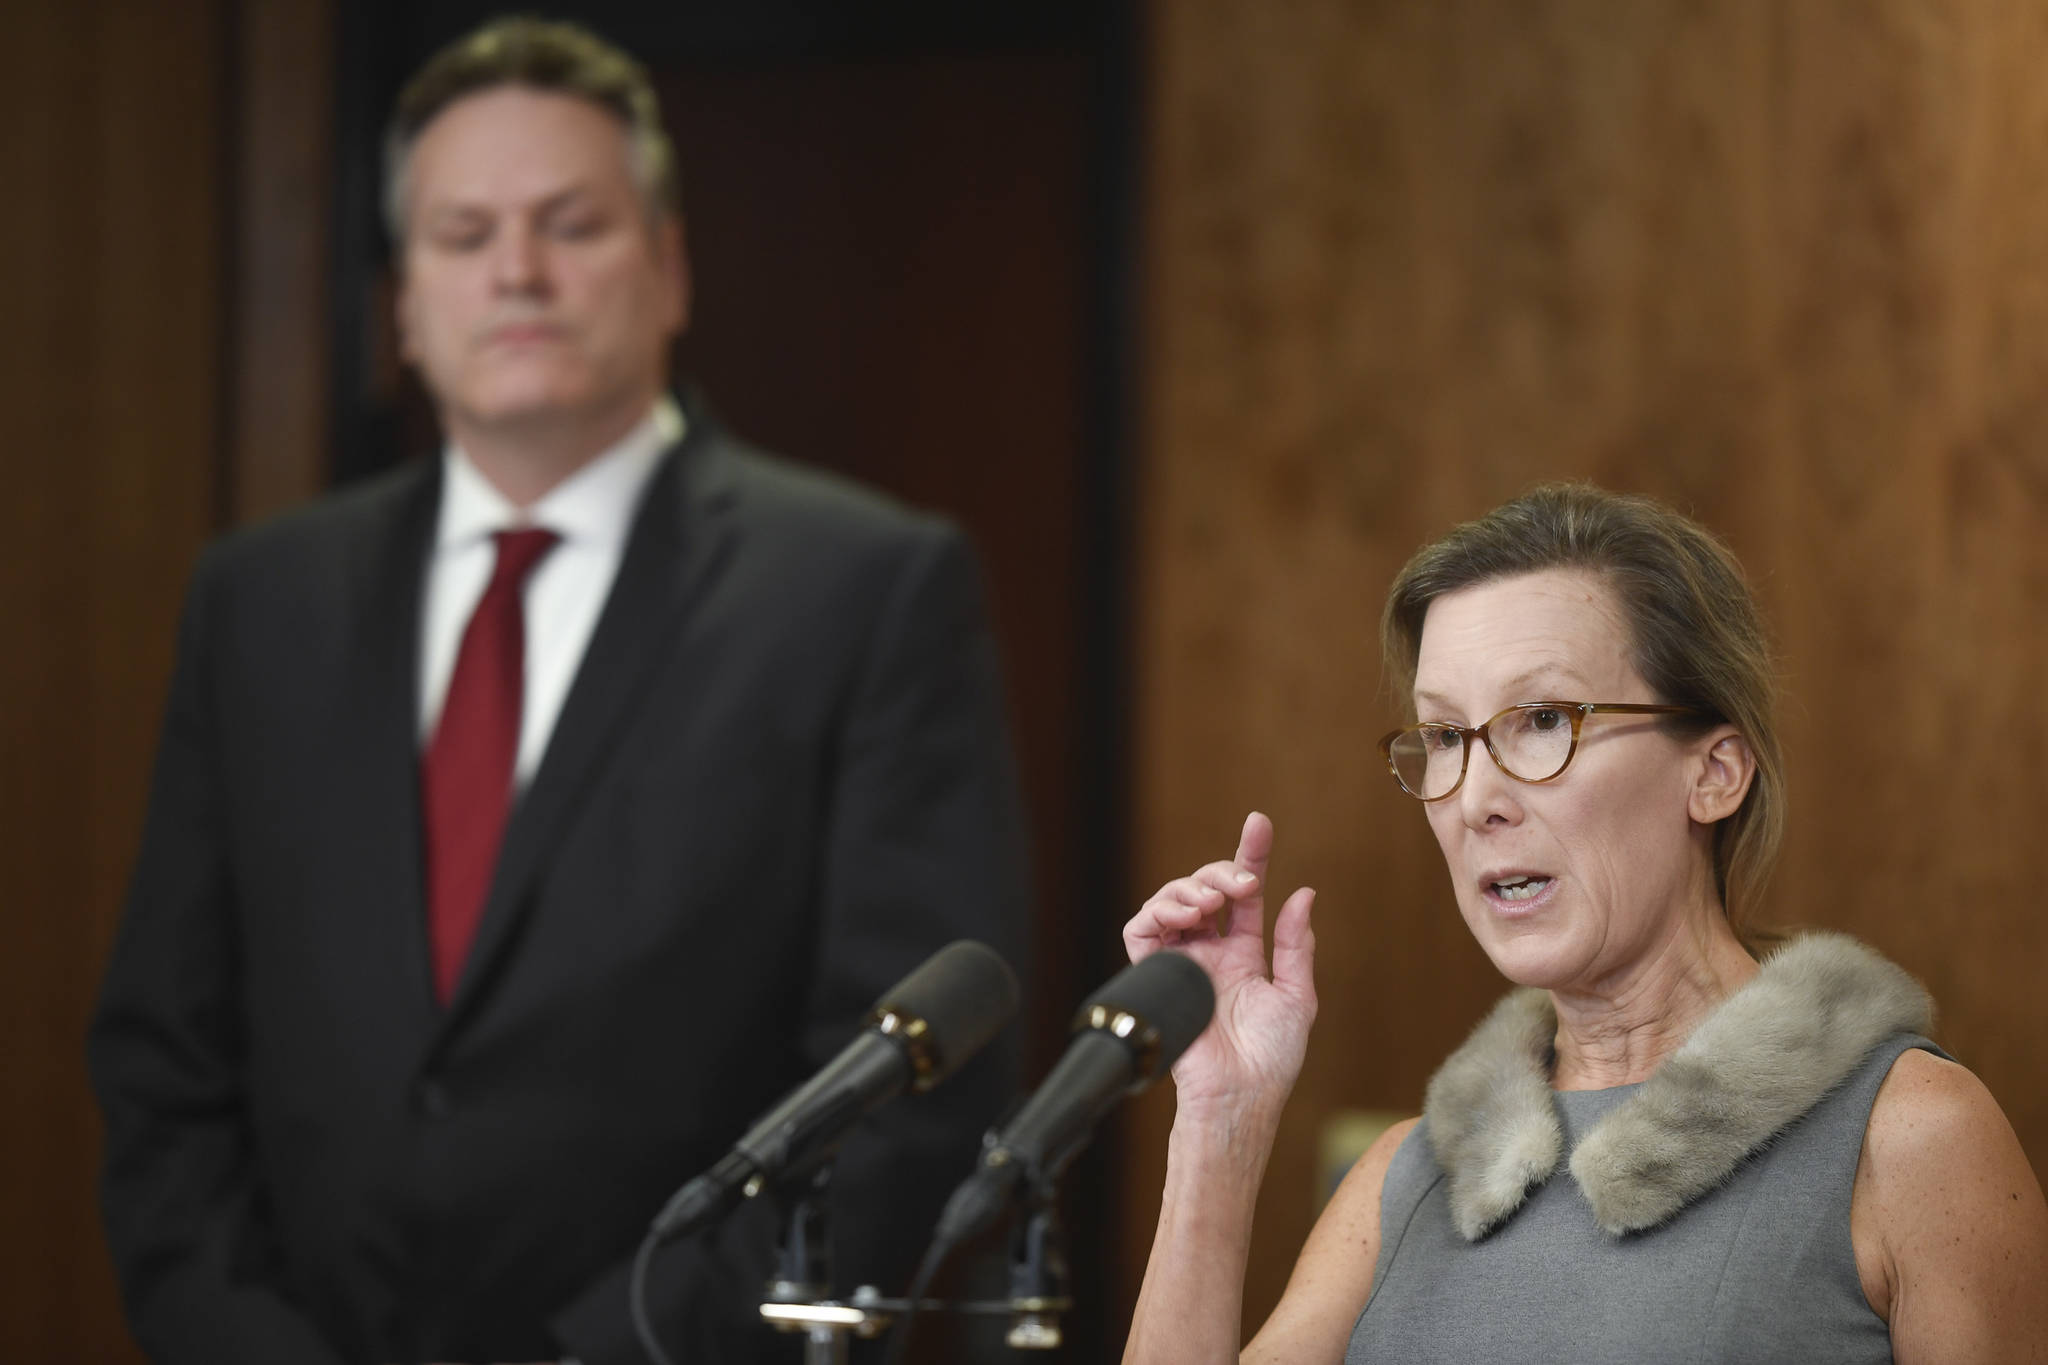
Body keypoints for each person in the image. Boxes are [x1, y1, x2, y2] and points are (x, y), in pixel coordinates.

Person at [88, 17, 1029, 1365]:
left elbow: (911, 1091)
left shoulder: (869, 588)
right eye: (463, 236)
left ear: (669, 264)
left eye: (570, 224)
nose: (515, 272)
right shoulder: (258, 601)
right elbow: (161, 1064)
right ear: (404, 300)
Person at [1119, 484, 2048, 1363]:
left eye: (1544, 719)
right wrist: (1220, 1121)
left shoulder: (1911, 1136)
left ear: (1715, 771)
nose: (1477, 797)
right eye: (1445, 737)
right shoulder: (1403, 1178)